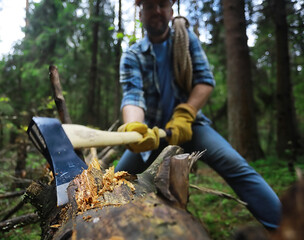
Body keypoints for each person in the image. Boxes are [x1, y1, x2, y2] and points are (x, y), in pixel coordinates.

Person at [115, 0, 281, 230]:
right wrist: (135, 129)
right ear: (140, 11)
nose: (157, 10)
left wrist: (185, 114)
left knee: (235, 165)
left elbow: (204, 80)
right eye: (150, 5)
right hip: (153, 133)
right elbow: (133, 96)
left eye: (162, 4)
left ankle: (285, 227)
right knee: (116, 179)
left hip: (191, 125)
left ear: (171, 10)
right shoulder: (132, 55)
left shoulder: (186, 40)